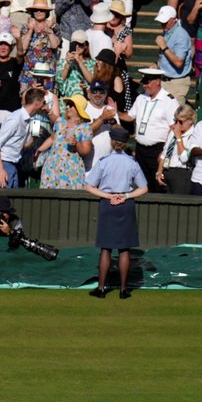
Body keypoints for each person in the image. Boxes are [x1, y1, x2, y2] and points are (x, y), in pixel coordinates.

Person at [84, 126, 147, 298]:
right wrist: (125, 195)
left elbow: (89, 186)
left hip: (108, 203)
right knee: (124, 249)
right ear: (126, 144)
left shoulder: (104, 161)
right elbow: (144, 188)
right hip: (125, 204)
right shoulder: (131, 163)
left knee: (106, 248)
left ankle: (101, 288)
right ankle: (123, 290)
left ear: (112, 142)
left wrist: (108, 196)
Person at [119, 68, 179, 192]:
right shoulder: (141, 98)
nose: (145, 85)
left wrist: (164, 152)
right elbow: (130, 116)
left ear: (158, 81)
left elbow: (174, 129)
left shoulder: (169, 101)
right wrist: (116, 112)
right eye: (144, 82)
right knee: (141, 184)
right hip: (140, 149)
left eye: (148, 82)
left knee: (157, 185)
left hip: (157, 150)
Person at [0, 87, 47, 188]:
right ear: (37, 102)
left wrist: (34, 138)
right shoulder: (15, 118)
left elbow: (23, 147)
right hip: (2, 162)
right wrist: (1, 170)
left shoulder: (29, 120)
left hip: (13, 163)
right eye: (44, 102)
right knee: (3, 200)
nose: (45, 105)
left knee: (13, 200)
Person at [38, 95, 92, 189]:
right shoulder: (60, 122)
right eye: (67, 104)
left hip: (71, 169)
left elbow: (86, 151)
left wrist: (77, 144)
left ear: (78, 108)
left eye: (71, 105)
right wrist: (39, 150)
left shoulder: (85, 128)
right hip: (52, 166)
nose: (67, 107)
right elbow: (52, 139)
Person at [155, 5, 193, 106]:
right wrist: (157, 64)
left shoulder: (181, 35)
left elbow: (179, 62)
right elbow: (166, 57)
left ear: (173, 20)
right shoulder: (167, 32)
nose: (162, 24)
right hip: (165, 81)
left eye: (165, 22)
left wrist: (164, 47)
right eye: (161, 22)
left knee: (174, 115)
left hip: (176, 83)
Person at [156, 105, 196, 194]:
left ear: (190, 120)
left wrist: (178, 137)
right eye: (175, 121)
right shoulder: (173, 132)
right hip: (167, 171)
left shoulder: (194, 135)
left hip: (182, 174)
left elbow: (184, 158)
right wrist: (159, 172)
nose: (177, 124)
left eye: (181, 122)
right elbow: (164, 153)